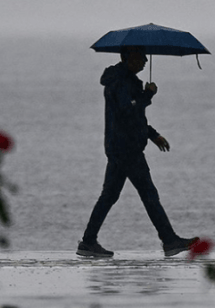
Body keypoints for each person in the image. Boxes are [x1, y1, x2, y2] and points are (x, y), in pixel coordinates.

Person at [77, 46, 197, 258]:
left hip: (121, 147)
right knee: (148, 195)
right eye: (139, 57)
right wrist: (148, 95)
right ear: (126, 58)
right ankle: (169, 241)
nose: (144, 61)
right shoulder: (121, 82)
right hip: (126, 149)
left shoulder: (124, 80)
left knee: (110, 196)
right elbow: (128, 111)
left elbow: (134, 117)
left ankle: (88, 242)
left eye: (144, 57)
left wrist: (152, 135)